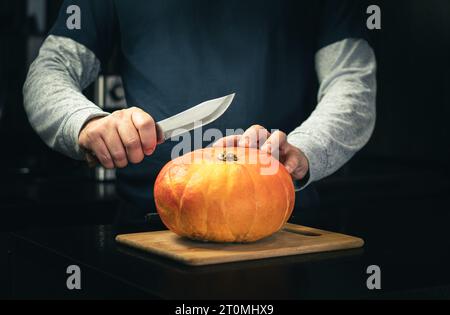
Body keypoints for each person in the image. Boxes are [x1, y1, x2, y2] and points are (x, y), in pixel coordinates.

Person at [23, 0, 376, 223]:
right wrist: (84, 122)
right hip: (145, 227)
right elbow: (50, 69)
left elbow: (352, 85)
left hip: (283, 227)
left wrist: (305, 149)